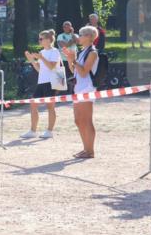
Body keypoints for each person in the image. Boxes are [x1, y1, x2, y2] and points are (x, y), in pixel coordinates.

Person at [63, 25, 100, 158]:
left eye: (82, 34)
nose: (79, 37)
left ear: (89, 37)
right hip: (78, 88)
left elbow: (84, 72)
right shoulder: (82, 51)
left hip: (87, 88)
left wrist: (73, 60)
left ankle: (90, 151)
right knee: (78, 120)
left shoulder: (93, 52)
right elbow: (75, 71)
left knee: (86, 120)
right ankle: (86, 149)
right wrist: (70, 60)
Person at [21, 30, 61, 139]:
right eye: (39, 38)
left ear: (48, 40)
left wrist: (41, 58)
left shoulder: (55, 51)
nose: (39, 40)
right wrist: (32, 60)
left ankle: (49, 131)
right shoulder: (42, 52)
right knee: (33, 104)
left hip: (52, 82)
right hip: (42, 82)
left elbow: (52, 67)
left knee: (50, 106)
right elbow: (39, 69)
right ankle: (32, 131)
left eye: (41, 38)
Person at [56, 20, 78, 85]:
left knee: (74, 79)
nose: (66, 28)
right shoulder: (60, 36)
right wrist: (72, 41)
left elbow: (77, 41)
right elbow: (64, 45)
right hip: (63, 60)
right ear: (63, 28)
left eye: (68, 27)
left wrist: (72, 34)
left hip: (74, 60)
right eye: (65, 27)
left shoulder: (74, 35)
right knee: (63, 80)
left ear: (71, 27)